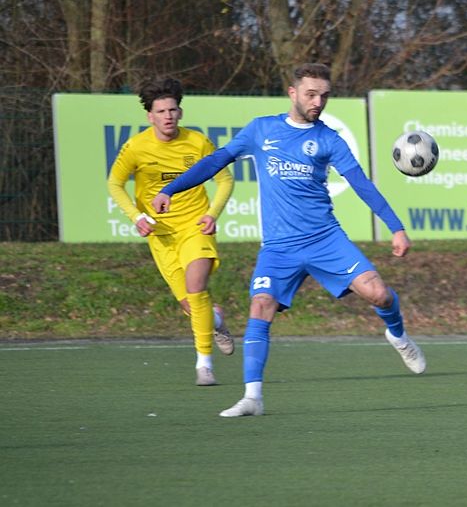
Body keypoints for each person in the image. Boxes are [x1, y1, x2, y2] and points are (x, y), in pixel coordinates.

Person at [152, 63, 426, 418]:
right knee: (260, 305)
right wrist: (171, 189)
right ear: (292, 93)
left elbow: (361, 184)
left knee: (379, 294)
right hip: (279, 248)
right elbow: (217, 160)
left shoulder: (329, 139)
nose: (318, 102)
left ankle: (398, 335)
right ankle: (252, 397)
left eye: (324, 96)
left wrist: (396, 227)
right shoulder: (261, 130)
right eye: (311, 94)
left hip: (325, 239)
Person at [107, 78, 235, 387]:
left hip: (195, 228)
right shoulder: (136, 147)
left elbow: (225, 180)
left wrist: (211, 214)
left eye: (173, 110)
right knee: (192, 305)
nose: (168, 116)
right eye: (161, 111)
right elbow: (115, 183)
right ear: (150, 116)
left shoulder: (198, 142)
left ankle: (204, 365)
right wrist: (136, 216)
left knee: (196, 286)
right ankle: (216, 319)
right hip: (161, 236)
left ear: (180, 112)